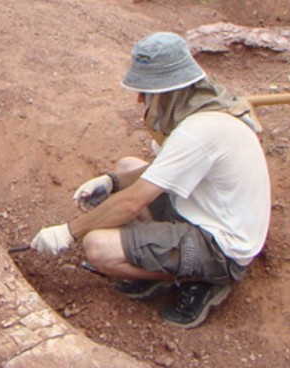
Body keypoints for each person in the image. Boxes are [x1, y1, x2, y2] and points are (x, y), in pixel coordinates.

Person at [29, 32, 271, 329]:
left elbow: (132, 203)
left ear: (169, 91)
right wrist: (111, 181)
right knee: (128, 168)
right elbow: (154, 173)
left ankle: (203, 279)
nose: (140, 99)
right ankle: (157, 261)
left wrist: (68, 232)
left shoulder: (199, 132)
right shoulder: (203, 110)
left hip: (222, 246)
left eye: (147, 90)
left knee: (97, 246)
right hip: (204, 212)